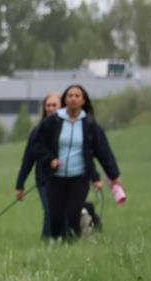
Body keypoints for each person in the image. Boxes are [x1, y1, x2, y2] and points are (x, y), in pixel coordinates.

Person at [32, 85, 122, 240]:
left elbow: (103, 151)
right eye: (70, 95)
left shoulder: (90, 125)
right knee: (55, 216)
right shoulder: (53, 122)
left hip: (79, 177)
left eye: (77, 96)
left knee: (72, 213)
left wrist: (113, 175)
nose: (73, 98)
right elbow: (36, 145)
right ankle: (56, 242)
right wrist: (50, 159)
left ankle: (71, 244)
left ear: (83, 100)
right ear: (65, 100)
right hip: (55, 177)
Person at [15, 93, 61, 239]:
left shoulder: (70, 129)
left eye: (54, 105)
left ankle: (65, 242)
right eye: (48, 105)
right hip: (44, 179)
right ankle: (47, 242)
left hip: (66, 177)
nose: (51, 108)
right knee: (50, 211)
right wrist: (19, 185)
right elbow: (28, 160)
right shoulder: (37, 131)